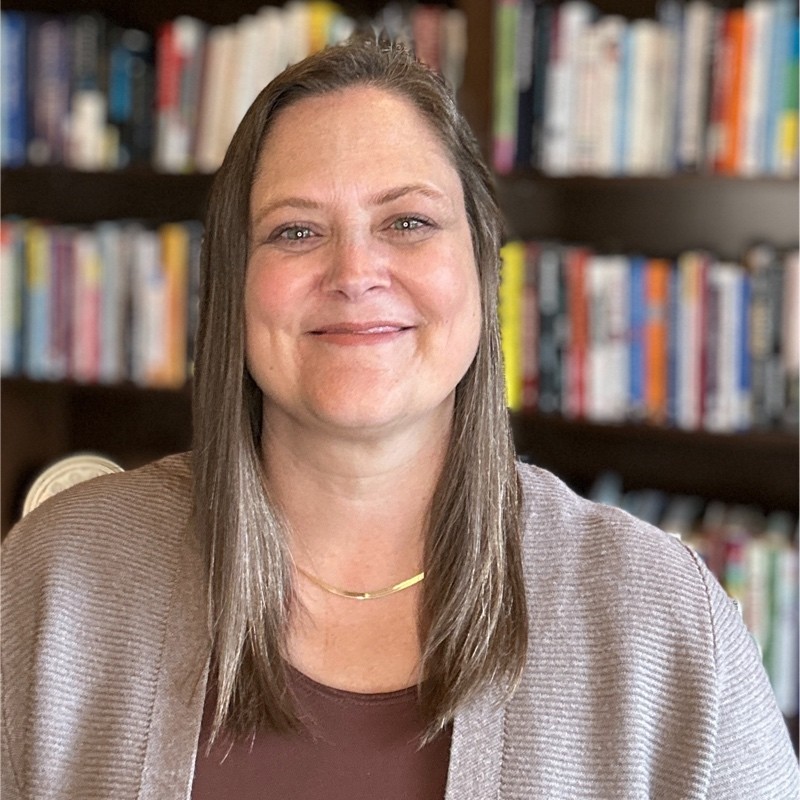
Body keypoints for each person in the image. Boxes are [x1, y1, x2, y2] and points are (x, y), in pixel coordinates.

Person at [2, 37, 798, 800]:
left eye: (407, 222)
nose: (354, 273)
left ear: (483, 269)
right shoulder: (57, 578)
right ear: (234, 288)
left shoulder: (664, 621)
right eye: (296, 230)